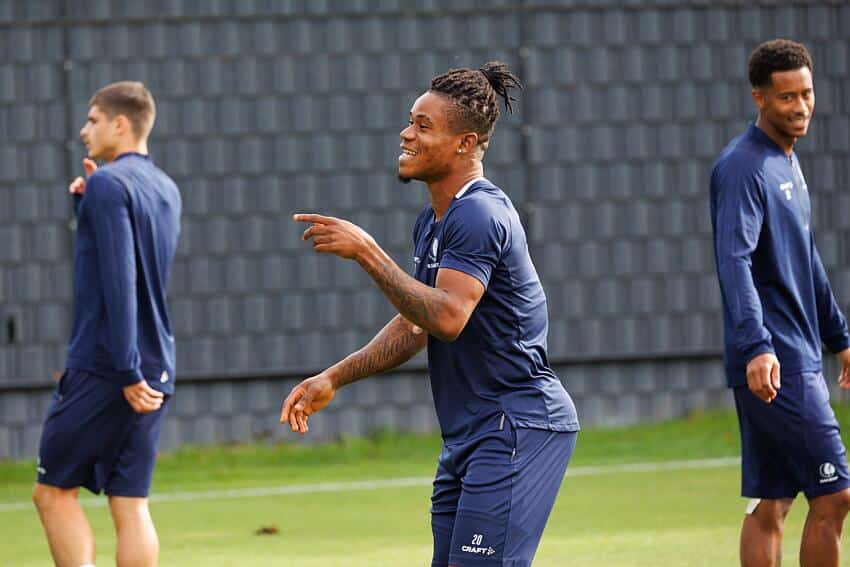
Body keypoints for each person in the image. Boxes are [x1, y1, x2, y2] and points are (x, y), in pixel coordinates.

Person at [282, 61, 579, 567]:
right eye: (409, 120)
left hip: (515, 425)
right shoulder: (436, 219)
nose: (406, 133)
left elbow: (447, 319)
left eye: (423, 125)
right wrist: (334, 377)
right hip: (470, 433)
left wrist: (367, 252)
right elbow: (418, 323)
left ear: (465, 143)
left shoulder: (479, 214)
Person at [711, 39, 850, 567]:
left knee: (772, 500)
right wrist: (757, 347)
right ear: (759, 99)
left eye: (807, 94)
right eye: (786, 97)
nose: (800, 106)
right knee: (835, 496)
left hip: (796, 353)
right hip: (776, 361)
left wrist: (839, 339)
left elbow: (807, 260)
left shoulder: (786, 164)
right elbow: (734, 261)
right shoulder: (743, 168)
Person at [32, 81, 182, 567]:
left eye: (92, 119)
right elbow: (133, 264)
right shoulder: (165, 188)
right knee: (129, 500)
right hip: (157, 362)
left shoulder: (107, 183)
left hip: (109, 365)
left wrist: (124, 370)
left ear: (120, 124)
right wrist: (87, 209)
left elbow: (121, 280)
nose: (83, 130)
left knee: (52, 493)